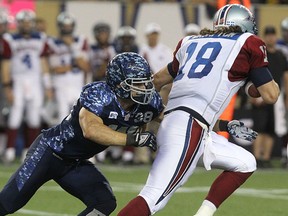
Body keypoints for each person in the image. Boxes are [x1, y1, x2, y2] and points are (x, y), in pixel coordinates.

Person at [118, 4, 280, 216]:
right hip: (189, 127)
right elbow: (271, 95)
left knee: (245, 162)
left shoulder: (190, 42)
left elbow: (157, 80)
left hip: (185, 123)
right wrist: (257, 81)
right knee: (153, 198)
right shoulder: (248, 42)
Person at [0, 52, 163, 216]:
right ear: (118, 83)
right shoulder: (100, 94)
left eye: (146, 82)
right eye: (138, 84)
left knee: (104, 203)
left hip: (75, 163)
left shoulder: (149, 103)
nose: (145, 89)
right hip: (49, 153)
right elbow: (91, 130)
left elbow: (169, 118)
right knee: (6, 204)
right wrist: (134, 139)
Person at [1, 9, 52, 163]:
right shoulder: (10, 39)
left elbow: (43, 63)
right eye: (23, 22)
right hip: (17, 79)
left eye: (28, 22)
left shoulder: (40, 38)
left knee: (34, 117)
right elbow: (6, 64)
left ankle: (29, 151)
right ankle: (9, 151)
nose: (26, 25)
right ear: (18, 24)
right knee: (15, 115)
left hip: (35, 80)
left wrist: (48, 85)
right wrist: (7, 86)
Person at [251, 26, 288, 168]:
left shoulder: (280, 55)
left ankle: (266, 158)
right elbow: (252, 72)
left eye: (273, 35)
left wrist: (286, 97)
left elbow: (285, 77)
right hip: (261, 94)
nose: (270, 37)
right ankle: (256, 157)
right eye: (268, 35)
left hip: (275, 95)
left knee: (271, 129)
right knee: (259, 128)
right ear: (264, 37)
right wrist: (252, 93)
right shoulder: (260, 53)